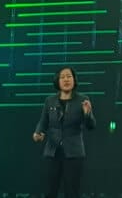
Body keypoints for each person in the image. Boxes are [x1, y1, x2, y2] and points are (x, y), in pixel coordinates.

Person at [33, 67, 96, 198]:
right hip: (52, 152)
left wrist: (88, 114)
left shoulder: (82, 99)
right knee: (50, 191)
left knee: (72, 191)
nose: (66, 79)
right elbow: (43, 122)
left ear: (74, 79)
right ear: (57, 81)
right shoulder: (50, 100)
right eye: (62, 77)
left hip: (74, 153)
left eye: (69, 76)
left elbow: (91, 126)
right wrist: (38, 133)